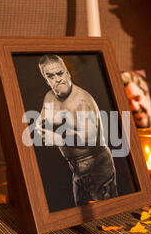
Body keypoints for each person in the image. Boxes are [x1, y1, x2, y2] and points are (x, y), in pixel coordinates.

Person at [35, 54, 118, 207]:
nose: (57, 79)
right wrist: (41, 128)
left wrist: (58, 138)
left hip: (97, 166)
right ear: (46, 79)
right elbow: (41, 121)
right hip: (76, 169)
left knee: (107, 216)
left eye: (60, 73)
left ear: (68, 73)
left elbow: (91, 136)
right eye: (51, 76)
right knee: (82, 215)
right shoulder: (49, 97)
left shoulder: (81, 100)